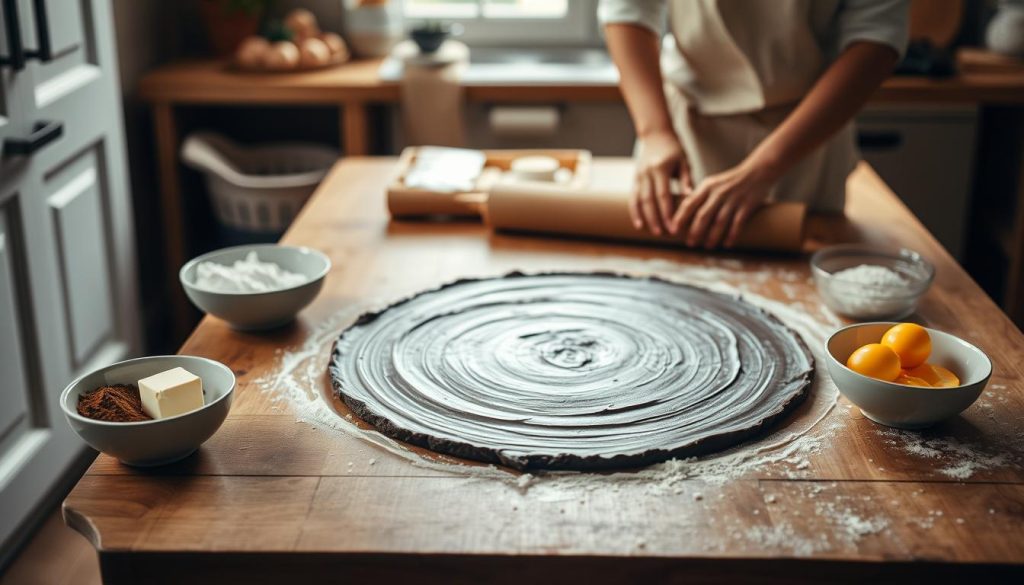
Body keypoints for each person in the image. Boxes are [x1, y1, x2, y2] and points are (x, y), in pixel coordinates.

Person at [600, 0, 909, 249]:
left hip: (806, 135)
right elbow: (628, 10)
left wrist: (765, 168)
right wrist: (655, 134)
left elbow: (875, 39)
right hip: (685, 127)